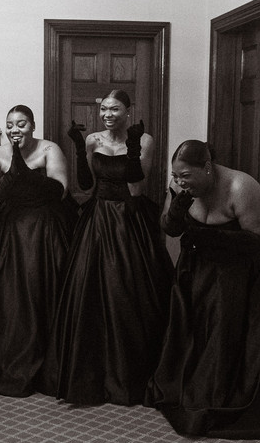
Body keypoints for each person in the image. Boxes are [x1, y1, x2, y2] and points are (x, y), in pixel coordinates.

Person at [146, 140, 260, 440]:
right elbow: (170, 228)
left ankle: (218, 392)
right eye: (175, 175)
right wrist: (176, 211)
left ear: (208, 167)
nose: (180, 182)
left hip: (242, 269)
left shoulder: (241, 187)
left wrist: (212, 240)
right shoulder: (179, 187)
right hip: (200, 266)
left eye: (186, 176)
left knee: (222, 318)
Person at [41, 89, 172, 406]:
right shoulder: (92, 140)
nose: (107, 115)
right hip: (97, 218)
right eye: (104, 110)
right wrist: (78, 147)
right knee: (88, 290)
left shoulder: (145, 140)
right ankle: (88, 371)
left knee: (127, 290)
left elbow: (136, 183)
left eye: (114, 109)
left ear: (128, 111)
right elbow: (87, 184)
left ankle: (129, 371)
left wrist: (132, 146)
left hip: (129, 217)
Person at [0, 105, 74, 397]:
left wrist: (29, 175)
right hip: (11, 231)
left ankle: (50, 361)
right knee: (11, 293)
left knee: (43, 288)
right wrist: (11, 175)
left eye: (21, 124)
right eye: (10, 124)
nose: (14, 130)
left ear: (32, 126)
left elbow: (61, 190)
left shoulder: (50, 149)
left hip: (46, 229)